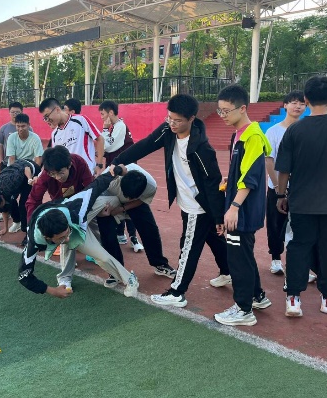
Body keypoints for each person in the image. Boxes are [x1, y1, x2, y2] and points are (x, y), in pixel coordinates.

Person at [112, 94, 229, 308]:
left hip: (197, 205)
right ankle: (230, 272)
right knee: (213, 238)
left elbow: (213, 183)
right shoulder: (168, 130)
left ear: (191, 119)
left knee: (188, 247)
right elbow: (146, 144)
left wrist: (219, 215)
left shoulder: (202, 148)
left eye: (177, 120)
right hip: (186, 202)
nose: (172, 124)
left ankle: (177, 292)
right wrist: (118, 161)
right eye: (169, 118)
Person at [276, 76, 327, 317]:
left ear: (306, 99)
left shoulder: (294, 130)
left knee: (298, 246)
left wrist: (280, 194)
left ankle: (293, 299)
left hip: (301, 202)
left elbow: (284, 170)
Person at [19, 171, 139, 298]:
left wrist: (115, 169)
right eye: (61, 237)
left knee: (112, 201)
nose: (67, 239)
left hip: (77, 219)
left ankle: (129, 278)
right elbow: (23, 276)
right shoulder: (34, 242)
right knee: (89, 252)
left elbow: (95, 187)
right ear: (47, 238)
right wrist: (52, 290)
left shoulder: (76, 207)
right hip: (71, 223)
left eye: (67, 233)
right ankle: (65, 277)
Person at [213, 84, 272, 326]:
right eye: (220, 111)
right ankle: (257, 296)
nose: (223, 115)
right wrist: (230, 180)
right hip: (240, 206)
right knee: (244, 254)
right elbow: (242, 171)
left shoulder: (252, 137)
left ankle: (243, 309)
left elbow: (250, 178)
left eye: (226, 111)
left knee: (238, 259)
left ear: (243, 108)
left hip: (243, 210)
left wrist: (234, 207)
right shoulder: (238, 135)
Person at [103, 164, 176, 280]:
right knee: (107, 233)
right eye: (126, 196)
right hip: (110, 199)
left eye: (131, 197)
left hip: (134, 203)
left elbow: (141, 200)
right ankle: (116, 270)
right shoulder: (107, 181)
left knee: (150, 229)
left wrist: (123, 208)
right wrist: (108, 211)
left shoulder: (150, 185)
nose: (128, 199)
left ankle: (160, 264)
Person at [264, 91, 306, 275]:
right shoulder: (273, 131)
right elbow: (269, 160)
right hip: (277, 187)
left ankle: (301, 264)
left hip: (300, 189)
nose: (298, 107)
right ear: (285, 105)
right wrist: (278, 187)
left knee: (300, 227)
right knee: (275, 225)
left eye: (302, 104)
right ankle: (275, 259)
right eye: (294, 102)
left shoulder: (306, 130)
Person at [98, 100, 141, 250]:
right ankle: (121, 233)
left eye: (103, 114)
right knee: (118, 199)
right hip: (117, 170)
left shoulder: (120, 126)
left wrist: (104, 129)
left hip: (124, 171)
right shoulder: (115, 127)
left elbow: (108, 146)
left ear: (110, 112)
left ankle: (133, 237)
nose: (102, 117)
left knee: (127, 200)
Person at [39, 97, 104, 176]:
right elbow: (55, 159)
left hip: (88, 173)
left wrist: (99, 165)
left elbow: (100, 139)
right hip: (70, 179)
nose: (47, 120)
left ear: (57, 110)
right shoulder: (55, 134)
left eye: (47, 116)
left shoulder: (80, 120)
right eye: (45, 118)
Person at [0, 159, 41, 238]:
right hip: (18, 178)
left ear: (1, 197)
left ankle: (28, 232)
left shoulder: (12, 181)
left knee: (24, 205)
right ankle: (17, 222)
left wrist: (30, 179)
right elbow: (4, 208)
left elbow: (26, 168)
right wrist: (5, 228)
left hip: (30, 170)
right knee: (11, 203)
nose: (1, 209)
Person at [0, 102, 25, 172]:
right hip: (7, 163)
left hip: (23, 164)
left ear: (22, 112)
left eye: (17, 112)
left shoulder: (28, 129)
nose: (15, 114)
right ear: (9, 112)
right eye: (12, 112)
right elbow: (1, 145)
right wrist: (2, 160)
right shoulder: (3, 128)